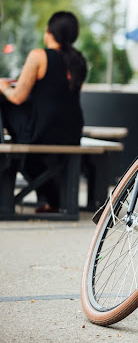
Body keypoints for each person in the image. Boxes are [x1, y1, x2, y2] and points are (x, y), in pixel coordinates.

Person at [0, 12, 87, 213]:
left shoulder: (39, 56)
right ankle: (50, 199)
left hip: (42, 131)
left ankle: (6, 168)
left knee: (6, 106)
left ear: (49, 32)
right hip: (72, 131)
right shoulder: (79, 60)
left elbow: (17, 97)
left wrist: (3, 85)